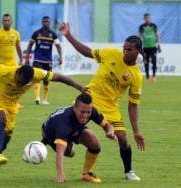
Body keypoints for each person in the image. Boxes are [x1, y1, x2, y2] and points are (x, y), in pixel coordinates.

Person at [0, 41, 87, 179]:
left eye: (23, 84)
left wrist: (79, 87)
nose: (19, 85)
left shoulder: (36, 73)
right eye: (18, 82)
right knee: (1, 119)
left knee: (4, 141)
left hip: (12, 107)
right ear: (17, 72)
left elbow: (60, 77)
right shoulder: (2, 71)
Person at [59, 22, 145, 181]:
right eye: (124, 48)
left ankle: (128, 171)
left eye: (129, 49)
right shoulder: (111, 53)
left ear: (138, 51)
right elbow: (87, 52)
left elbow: (133, 105)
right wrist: (68, 35)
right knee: (69, 127)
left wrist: (136, 131)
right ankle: (61, 152)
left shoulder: (136, 77)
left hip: (110, 107)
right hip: (89, 100)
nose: (125, 52)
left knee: (123, 139)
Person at [41, 92, 117, 183]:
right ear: (74, 108)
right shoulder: (64, 123)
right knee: (71, 153)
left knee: (94, 142)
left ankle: (86, 174)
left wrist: (110, 132)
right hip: (51, 134)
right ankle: (46, 143)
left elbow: (107, 125)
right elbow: (60, 152)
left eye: (88, 112)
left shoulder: (91, 111)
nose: (85, 115)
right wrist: (60, 173)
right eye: (82, 112)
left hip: (74, 128)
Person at [25, 16, 62, 105]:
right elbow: (30, 45)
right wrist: (27, 57)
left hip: (48, 61)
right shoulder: (36, 33)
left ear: (50, 23)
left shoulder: (53, 34)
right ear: (42, 22)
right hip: (38, 59)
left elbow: (58, 46)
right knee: (37, 77)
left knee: (46, 80)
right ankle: (37, 97)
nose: (46, 23)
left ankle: (45, 99)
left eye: (47, 21)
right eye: (44, 21)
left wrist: (61, 56)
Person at [0, 13, 24, 110]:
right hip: (1, 63)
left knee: (16, 83)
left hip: (13, 63)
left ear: (11, 22)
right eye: (4, 20)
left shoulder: (16, 33)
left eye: (8, 20)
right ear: (2, 22)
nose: (6, 22)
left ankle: (14, 103)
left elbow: (18, 47)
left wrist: (21, 58)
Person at [139, 13, 161, 83]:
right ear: (144, 18)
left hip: (153, 47)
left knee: (154, 61)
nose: (147, 19)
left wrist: (159, 45)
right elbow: (139, 36)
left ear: (150, 18)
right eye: (146, 18)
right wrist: (139, 45)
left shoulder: (153, 26)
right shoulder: (142, 27)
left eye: (148, 18)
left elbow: (157, 35)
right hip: (145, 47)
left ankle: (154, 76)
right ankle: (147, 77)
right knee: (146, 62)